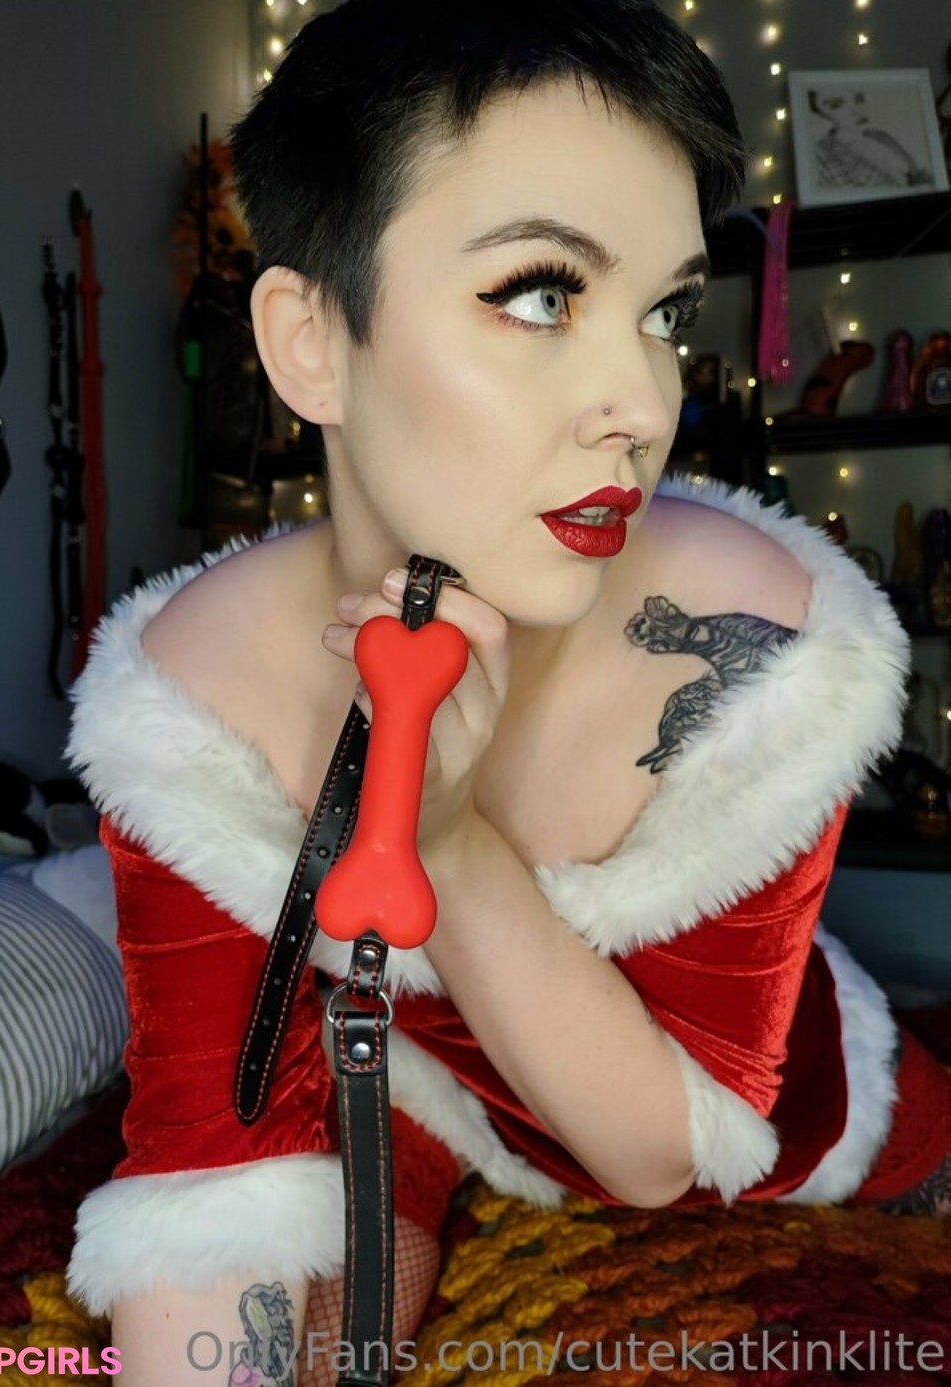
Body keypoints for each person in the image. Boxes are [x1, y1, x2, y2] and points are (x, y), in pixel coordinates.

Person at [64, 2, 951, 1382]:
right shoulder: (192, 692)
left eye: (664, 312)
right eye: (542, 293)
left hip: (769, 1118)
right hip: (427, 1089)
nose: (641, 404)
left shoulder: (766, 640)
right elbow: (204, 1160)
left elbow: (662, 1152)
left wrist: (449, 840)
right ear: (311, 342)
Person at [808, 86, 935, 190]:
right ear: (820, 114)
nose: (857, 111)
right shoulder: (821, 157)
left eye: (858, 99)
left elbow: (920, 177)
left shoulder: (881, 135)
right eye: (836, 105)